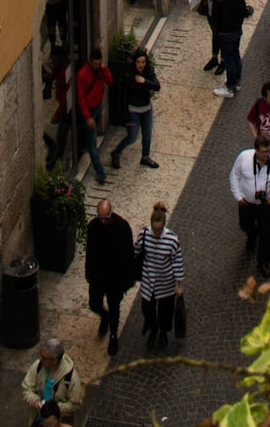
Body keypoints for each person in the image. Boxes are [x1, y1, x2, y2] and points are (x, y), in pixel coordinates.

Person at [232, 140, 270, 298]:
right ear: (256, 150)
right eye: (264, 151)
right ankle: (251, 234)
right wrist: (238, 196)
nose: (267, 154)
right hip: (247, 203)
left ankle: (263, 262)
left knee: (266, 234)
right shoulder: (243, 158)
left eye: (268, 151)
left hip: (266, 205)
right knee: (244, 224)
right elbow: (234, 176)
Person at [84, 199, 134, 357]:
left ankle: (113, 334)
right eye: (101, 218)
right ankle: (103, 315)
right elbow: (90, 252)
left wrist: (128, 277)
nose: (103, 221)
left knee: (115, 307)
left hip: (116, 277)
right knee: (94, 303)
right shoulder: (93, 227)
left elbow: (128, 254)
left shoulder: (122, 227)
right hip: (99, 275)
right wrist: (89, 272)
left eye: (106, 218)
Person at [135, 202, 184, 349]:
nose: (156, 233)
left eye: (159, 230)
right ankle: (153, 327)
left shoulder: (172, 240)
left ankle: (162, 331)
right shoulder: (143, 235)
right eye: (154, 230)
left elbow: (177, 262)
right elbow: (136, 252)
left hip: (166, 283)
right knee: (147, 309)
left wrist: (179, 285)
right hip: (149, 282)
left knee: (165, 312)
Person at [109, 49, 160, 169]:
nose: (141, 65)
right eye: (138, 62)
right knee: (132, 137)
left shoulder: (148, 72)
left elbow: (157, 86)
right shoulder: (128, 76)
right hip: (133, 111)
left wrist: (145, 81)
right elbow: (123, 98)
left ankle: (145, 157)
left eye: (143, 62)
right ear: (134, 63)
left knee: (147, 134)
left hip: (146, 108)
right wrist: (126, 117)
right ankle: (116, 152)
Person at [71, 47, 112, 185]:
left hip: (97, 108)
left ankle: (85, 144)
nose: (96, 66)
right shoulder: (82, 75)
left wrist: (104, 69)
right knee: (93, 144)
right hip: (88, 112)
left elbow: (110, 81)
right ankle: (100, 172)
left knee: (91, 140)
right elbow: (81, 98)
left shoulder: (100, 70)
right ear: (90, 61)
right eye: (94, 64)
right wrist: (87, 117)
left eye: (98, 64)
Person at [21, 339, 83, 418]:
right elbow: (27, 388)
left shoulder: (72, 379)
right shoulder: (38, 366)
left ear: (54, 360)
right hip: (37, 418)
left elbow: (75, 405)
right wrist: (35, 401)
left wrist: (55, 409)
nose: (40, 360)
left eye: (44, 358)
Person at [210, 0, 248, 98]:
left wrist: (217, 31)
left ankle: (229, 87)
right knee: (236, 55)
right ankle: (237, 81)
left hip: (225, 32)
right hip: (237, 29)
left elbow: (215, 18)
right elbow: (243, 10)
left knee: (229, 59)